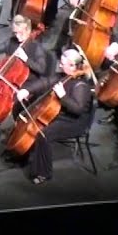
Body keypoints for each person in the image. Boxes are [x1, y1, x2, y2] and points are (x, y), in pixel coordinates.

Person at [22, 49, 94, 184]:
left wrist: (63, 96)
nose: (59, 66)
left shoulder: (81, 86)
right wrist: (27, 90)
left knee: (44, 134)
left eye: (63, 64)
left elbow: (77, 110)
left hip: (74, 122)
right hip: (62, 113)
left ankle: (44, 172)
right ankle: (24, 154)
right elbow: (45, 82)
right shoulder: (64, 76)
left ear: (72, 66)